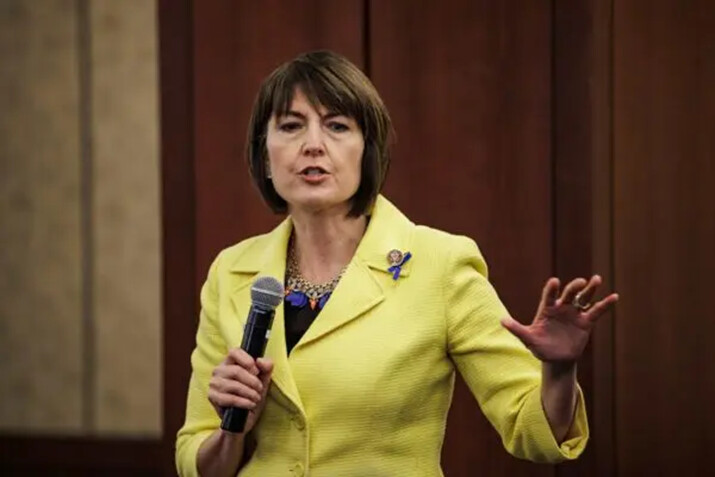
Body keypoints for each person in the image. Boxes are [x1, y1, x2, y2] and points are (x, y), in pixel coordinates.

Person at [175, 50, 618, 477]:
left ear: (366, 152)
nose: (312, 145)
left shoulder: (439, 265)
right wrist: (232, 432)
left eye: (336, 126)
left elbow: (533, 435)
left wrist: (559, 372)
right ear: (265, 156)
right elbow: (197, 458)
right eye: (291, 126)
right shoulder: (231, 272)